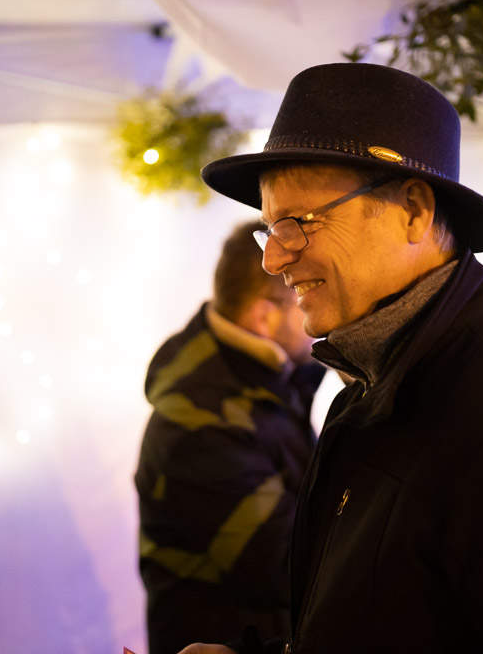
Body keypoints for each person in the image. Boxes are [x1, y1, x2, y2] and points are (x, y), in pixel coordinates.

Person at [182, 62, 483, 653]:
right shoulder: (374, 383)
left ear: (414, 211)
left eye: (299, 223)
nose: (273, 259)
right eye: (270, 230)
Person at [136, 221, 327, 654]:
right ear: (264, 316)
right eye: (305, 293)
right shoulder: (198, 426)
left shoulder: (267, 373)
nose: (319, 313)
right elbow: (291, 567)